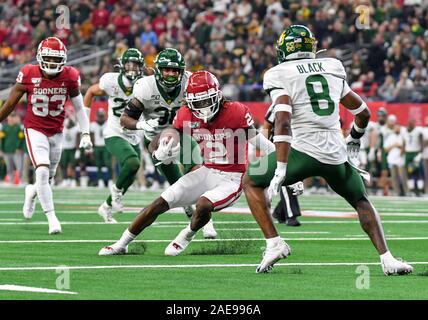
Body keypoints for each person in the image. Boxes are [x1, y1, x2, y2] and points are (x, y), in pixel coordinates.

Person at [244, 25, 412, 275]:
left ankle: (274, 243)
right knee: (361, 201)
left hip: (303, 151)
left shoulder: (278, 73)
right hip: (335, 153)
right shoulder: (332, 66)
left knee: (250, 181)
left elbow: (283, 120)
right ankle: (387, 258)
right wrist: (353, 139)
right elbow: (363, 113)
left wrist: (280, 167)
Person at [98, 71, 278, 262]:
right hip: (207, 171)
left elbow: (263, 145)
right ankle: (121, 244)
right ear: (189, 101)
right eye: (198, 103)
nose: (204, 107)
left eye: (207, 100)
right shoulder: (185, 113)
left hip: (232, 178)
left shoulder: (236, 113)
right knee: (159, 203)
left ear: (217, 95)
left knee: (203, 204)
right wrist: (162, 148)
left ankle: (187, 234)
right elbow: (169, 134)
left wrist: (283, 170)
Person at [119, 48, 217, 238]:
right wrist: (142, 123)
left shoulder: (190, 82)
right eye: (166, 70)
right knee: (177, 185)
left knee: (196, 172)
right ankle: (191, 211)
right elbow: (125, 119)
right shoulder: (146, 87)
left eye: (175, 71)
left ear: (182, 71)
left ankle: (207, 221)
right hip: (156, 140)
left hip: (182, 133)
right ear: (159, 70)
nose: (171, 74)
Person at [0, 37, 93, 234]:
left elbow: (79, 108)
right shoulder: (28, 73)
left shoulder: (70, 76)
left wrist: (85, 133)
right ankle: (52, 218)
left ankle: (31, 191)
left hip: (57, 132)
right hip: (35, 129)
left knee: (46, 179)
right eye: (48, 58)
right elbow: (10, 104)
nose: (51, 63)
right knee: (42, 171)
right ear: (40, 57)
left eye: (55, 59)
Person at [84, 48, 147, 223]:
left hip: (134, 133)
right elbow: (90, 92)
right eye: (129, 64)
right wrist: (85, 122)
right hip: (114, 132)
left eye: (136, 65)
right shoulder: (110, 80)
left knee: (132, 171)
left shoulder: (146, 83)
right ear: (121, 65)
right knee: (133, 162)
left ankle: (105, 207)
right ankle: (117, 193)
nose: (132, 69)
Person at [263, 104, 303, 226]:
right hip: (279, 146)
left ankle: (279, 212)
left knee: (296, 181)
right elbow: (267, 126)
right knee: (286, 177)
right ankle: (291, 215)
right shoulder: (279, 104)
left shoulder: (303, 104)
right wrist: (265, 148)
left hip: (297, 146)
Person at [90, 108, 113, 188]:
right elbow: (92, 137)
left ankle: (110, 180)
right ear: (97, 116)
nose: (101, 118)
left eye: (102, 116)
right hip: (97, 146)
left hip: (106, 146)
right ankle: (100, 181)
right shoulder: (93, 125)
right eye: (99, 116)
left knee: (108, 163)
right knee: (98, 164)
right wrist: (91, 147)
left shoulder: (108, 124)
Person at [403, 118, 424, 196]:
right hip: (408, 154)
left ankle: (420, 191)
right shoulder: (405, 131)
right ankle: (411, 190)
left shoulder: (418, 131)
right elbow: (404, 143)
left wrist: (420, 154)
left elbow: (421, 142)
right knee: (409, 172)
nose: (410, 123)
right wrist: (403, 153)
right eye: (410, 122)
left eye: (412, 122)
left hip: (415, 154)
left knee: (418, 172)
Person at [60, 116, 79, 187]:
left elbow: (77, 139)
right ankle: (65, 179)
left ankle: (73, 180)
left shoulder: (75, 129)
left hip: (72, 150)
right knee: (64, 165)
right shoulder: (63, 129)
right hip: (65, 149)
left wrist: (77, 150)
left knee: (72, 165)